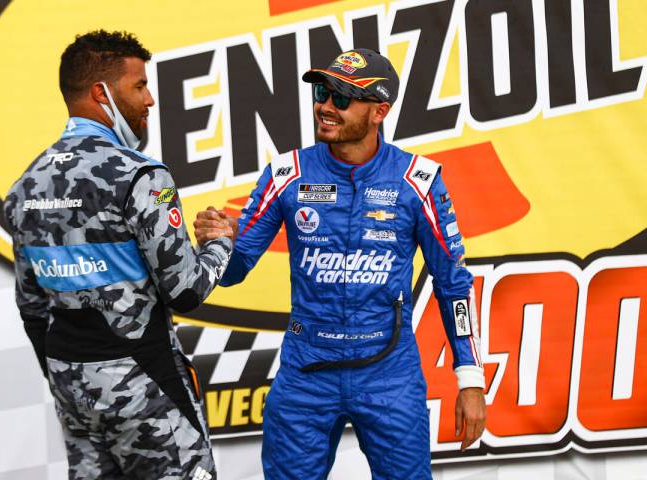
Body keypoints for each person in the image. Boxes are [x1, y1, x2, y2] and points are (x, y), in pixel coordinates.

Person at [197, 48, 486, 479]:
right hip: (306, 371)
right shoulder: (285, 174)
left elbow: (453, 283)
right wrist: (219, 243)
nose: (326, 107)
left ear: (379, 111)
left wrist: (470, 379)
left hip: (389, 373)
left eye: (343, 98)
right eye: (321, 92)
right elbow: (236, 271)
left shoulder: (419, 180)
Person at [3, 30, 233, 480]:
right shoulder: (140, 175)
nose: (150, 101)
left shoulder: (25, 184)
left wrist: (66, 377)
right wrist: (220, 241)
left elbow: (30, 306)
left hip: (72, 386)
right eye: (140, 86)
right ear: (100, 92)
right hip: (145, 381)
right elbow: (186, 291)